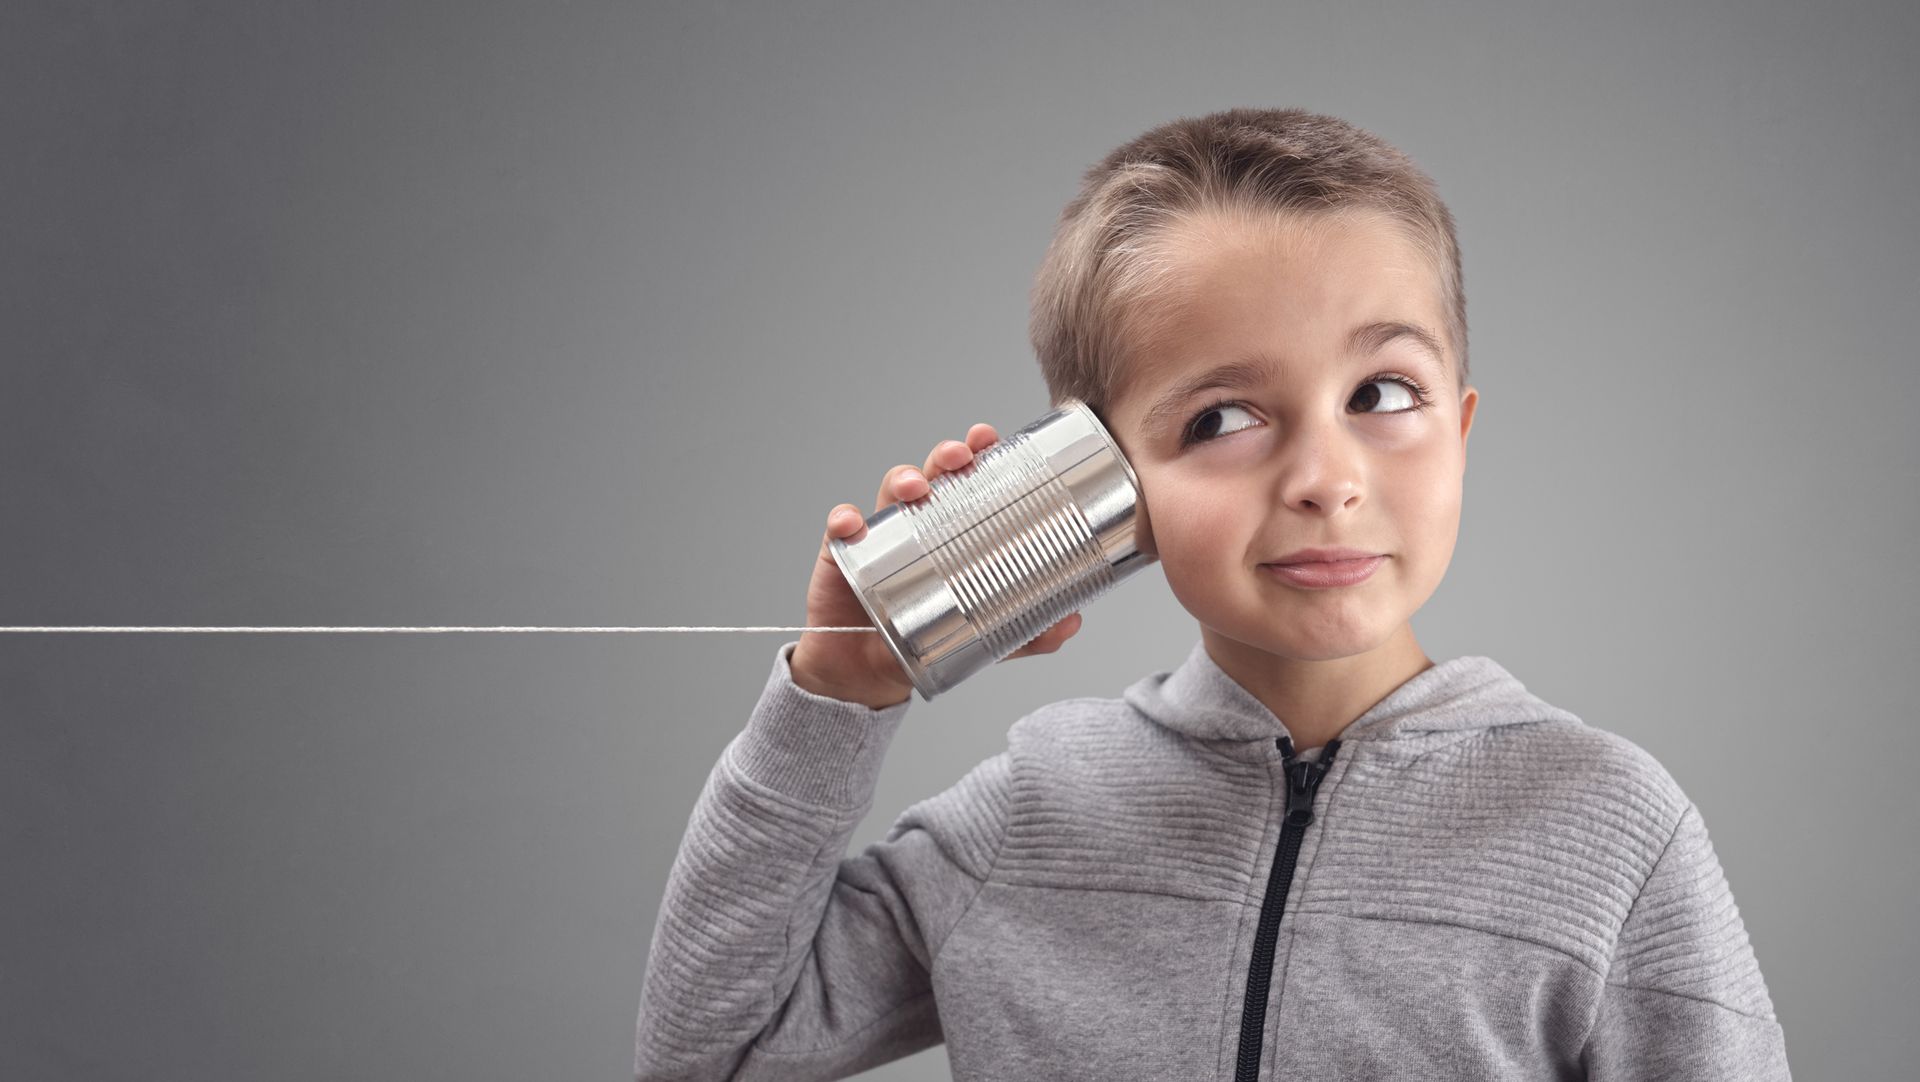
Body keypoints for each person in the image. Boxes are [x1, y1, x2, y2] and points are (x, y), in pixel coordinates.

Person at [633, 108, 1791, 1080]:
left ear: (1464, 428)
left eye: (1384, 391)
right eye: (1222, 418)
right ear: (1102, 481)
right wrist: (839, 693)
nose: (1326, 481)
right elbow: (711, 1048)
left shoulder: (1606, 825)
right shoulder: (1028, 814)